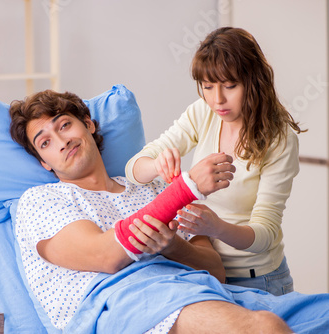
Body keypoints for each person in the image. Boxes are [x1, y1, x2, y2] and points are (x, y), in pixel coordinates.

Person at [9, 89, 328, 334]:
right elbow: (103, 256)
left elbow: (215, 269)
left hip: (203, 289)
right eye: (45, 143)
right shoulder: (41, 200)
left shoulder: (153, 187)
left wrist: (174, 246)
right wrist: (188, 188)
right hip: (123, 303)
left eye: (65, 125)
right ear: (43, 162)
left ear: (89, 125)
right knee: (264, 328)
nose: (61, 141)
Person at [125, 27, 304, 296]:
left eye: (230, 86)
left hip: (257, 279)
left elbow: (265, 234)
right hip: (204, 270)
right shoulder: (203, 112)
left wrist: (216, 228)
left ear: (253, 81)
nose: (217, 99)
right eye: (208, 87)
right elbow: (133, 168)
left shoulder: (280, 139)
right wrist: (157, 164)